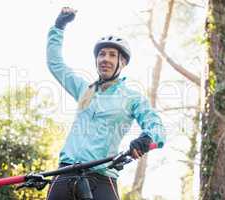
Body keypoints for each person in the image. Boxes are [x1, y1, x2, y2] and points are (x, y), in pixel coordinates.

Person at [46, 7, 166, 200]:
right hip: (65, 173)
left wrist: (146, 138)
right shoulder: (85, 89)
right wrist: (59, 27)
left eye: (112, 55)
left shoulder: (132, 98)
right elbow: (55, 63)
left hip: (101, 176)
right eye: (102, 54)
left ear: (122, 62)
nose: (105, 59)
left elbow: (158, 127)